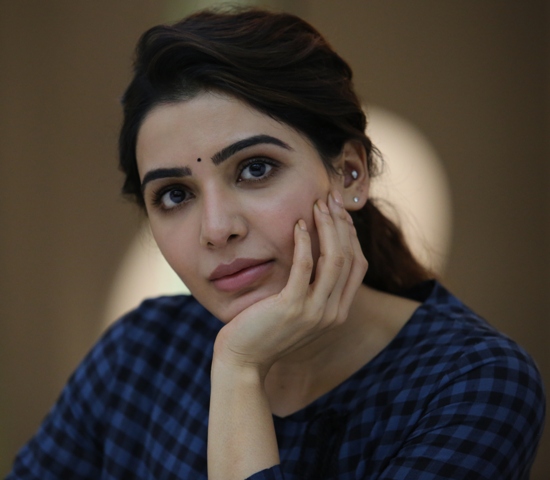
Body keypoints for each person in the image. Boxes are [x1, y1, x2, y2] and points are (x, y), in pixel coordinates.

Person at [8, 8, 545, 480]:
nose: (216, 228)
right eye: (175, 195)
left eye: (256, 169)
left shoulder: (473, 383)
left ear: (350, 173)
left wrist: (239, 372)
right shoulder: (141, 354)